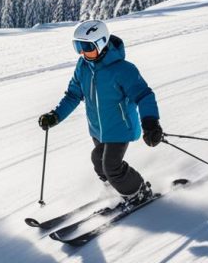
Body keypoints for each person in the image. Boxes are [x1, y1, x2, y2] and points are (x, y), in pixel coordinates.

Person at [38, 20, 164, 208]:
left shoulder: (123, 69)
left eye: (87, 48)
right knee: (98, 161)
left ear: (102, 43)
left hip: (121, 127)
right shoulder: (83, 66)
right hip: (97, 129)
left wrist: (150, 123)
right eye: (78, 47)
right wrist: (55, 116)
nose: (82, 53)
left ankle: (138, 191)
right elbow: (73, 95)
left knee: (111, 166)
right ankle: (117, 190)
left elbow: (144, 95)